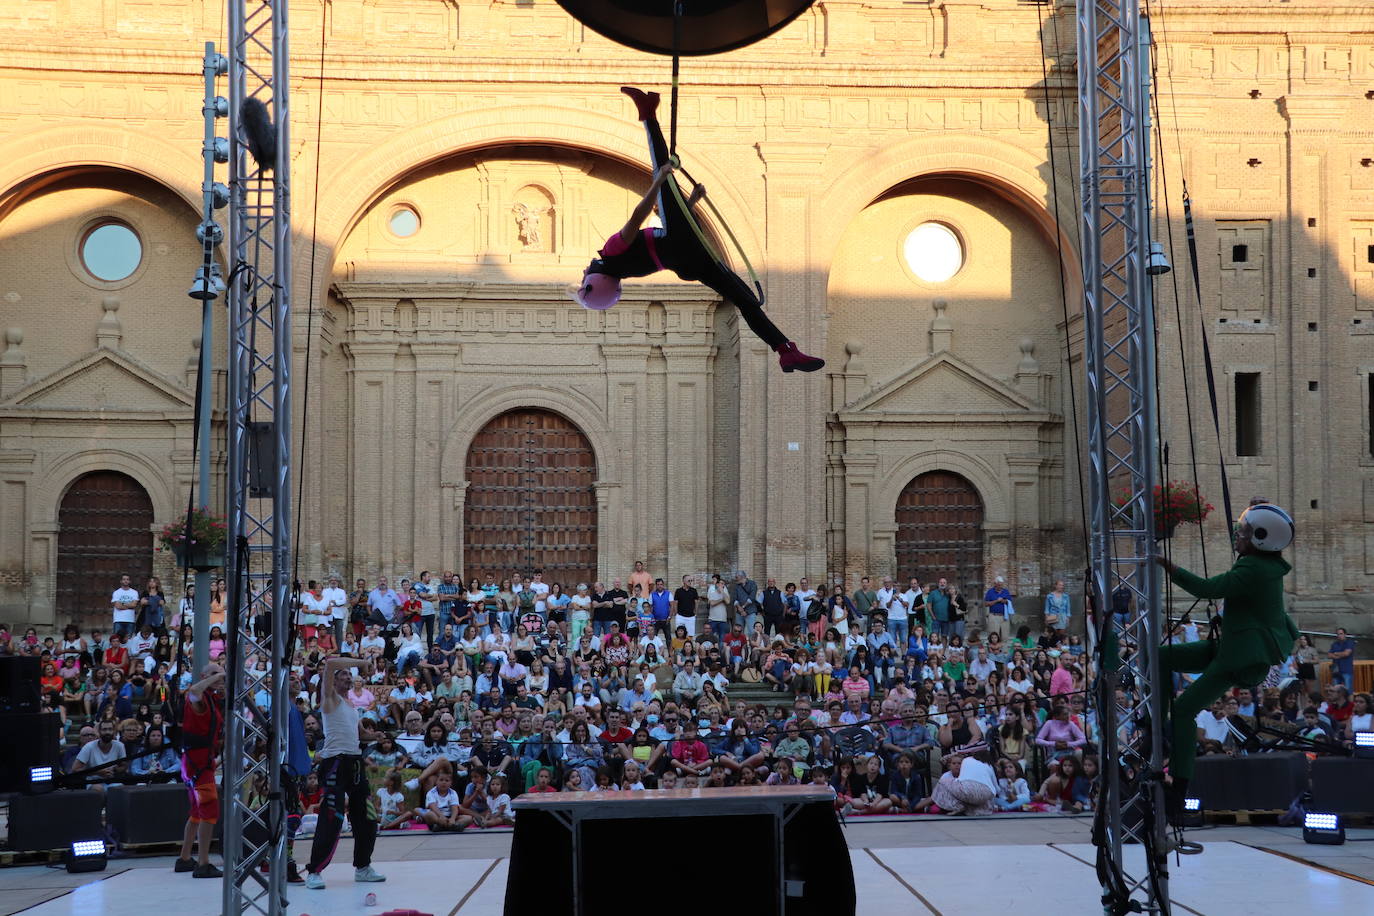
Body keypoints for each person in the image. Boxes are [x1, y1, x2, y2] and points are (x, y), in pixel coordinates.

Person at [573, 91, 824, 372]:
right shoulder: (612, 254)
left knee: (747, 302)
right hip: (681, 243)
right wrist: (658, 182)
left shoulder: (629, 269)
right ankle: (648, 115)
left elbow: (679, 237)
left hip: (691, 260)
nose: (584, 270)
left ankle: (784, 349)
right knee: (661, 168)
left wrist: (691, 202)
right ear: (595, 280)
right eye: (585, 277)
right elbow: (638, 216)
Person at [1153, 503, 1299, 817]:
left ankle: (1179, 785)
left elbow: (1206, 589)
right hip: (1230, 647)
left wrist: (1168, 566)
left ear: (1260, 539)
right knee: (1161, 656)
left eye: (1243, 532)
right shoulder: (1263, 566)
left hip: (1238, 657)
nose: (1237, 535)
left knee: (1184, 709)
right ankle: (1159, 727)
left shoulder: (1254, 569)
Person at [304, 655, 387, 890]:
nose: (348, 677)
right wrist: (360, 663)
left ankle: (363, 867)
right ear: (334, 681)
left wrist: (375, 737)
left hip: (354, 762)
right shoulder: (329, 699)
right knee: (332, 818)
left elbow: (360, 734)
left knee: (368, 816)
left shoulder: (351, 705)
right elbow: (329, 663)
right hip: (334, 763)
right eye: (344, 675)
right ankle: (315, 871)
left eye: (350, 675)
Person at [174, 663, 224, 878]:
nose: (219, 678)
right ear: (204, 676)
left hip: (197, 762)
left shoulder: (212, 699)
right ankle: (203, 862)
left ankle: (185, 857)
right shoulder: (199, 697)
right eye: (213, 674)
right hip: (198, 764)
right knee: (209, 811)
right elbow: (194, 690)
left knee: (196, 812)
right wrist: (218, 676)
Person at [983, 576, 1014, 642]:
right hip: (994, 616)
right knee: (993, 637)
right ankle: (993, 651)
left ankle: (1004, 651)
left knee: (1005, 637)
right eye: (999, 585)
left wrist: (1003, 601)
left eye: (1001, 585)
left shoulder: (1006, 591)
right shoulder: (990, 592)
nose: (1000, 586)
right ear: (995, 584)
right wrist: (996, 601)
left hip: (1004, 617)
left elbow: (1009, 602)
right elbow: (986, 604)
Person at [1328, 627, 1356, 692]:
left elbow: (1346, 653)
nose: (1339, 636)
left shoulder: (1349, 643)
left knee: (1348, 691)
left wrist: (1336, 653)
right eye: (1338, 634)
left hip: (1346, 670)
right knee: (1336, 690)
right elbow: (1329, 655)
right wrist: (1340, 655)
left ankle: (1349, 702)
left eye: (1341, 634)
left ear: (1345, 634)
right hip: (1336, 670)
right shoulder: (1334, 644)